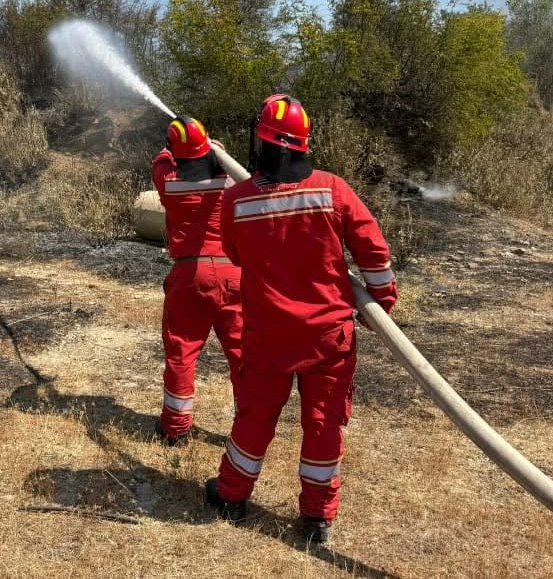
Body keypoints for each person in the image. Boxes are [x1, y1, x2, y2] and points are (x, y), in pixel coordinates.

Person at [204, 94, 397, 543]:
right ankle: (316, 517)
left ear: (262, 141)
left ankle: (231, 496)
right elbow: (373, 249)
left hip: (268, 337)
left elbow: (236, 253)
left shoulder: (236, 202)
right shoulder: (333, 190)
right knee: (324, 423)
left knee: (254, 417)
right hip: (329, 338)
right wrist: (382, 304)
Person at [152, 116, 243, 446]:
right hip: (234, 274)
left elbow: (163, 158)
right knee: (242, 355)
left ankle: (176, 428)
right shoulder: (230, 178)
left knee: (182, 351)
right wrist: (212, 147)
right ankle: (248, 429)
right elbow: (222, 157)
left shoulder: (168, 180)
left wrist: (176, 143)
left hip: (191, 275)